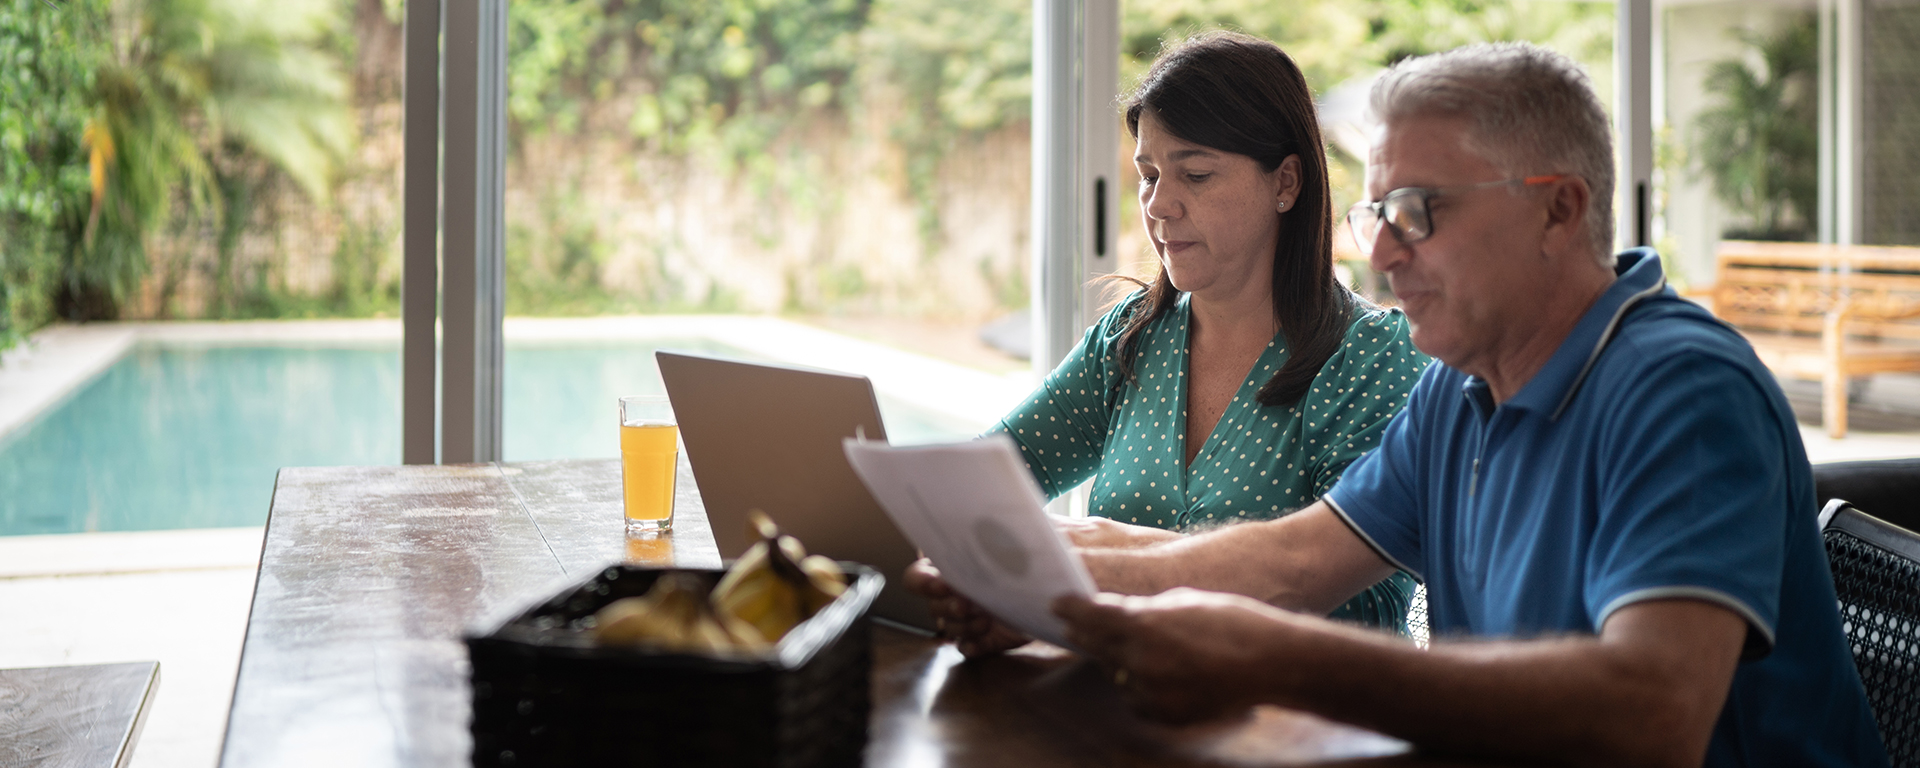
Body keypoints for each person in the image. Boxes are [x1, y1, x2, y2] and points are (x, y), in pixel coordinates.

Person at [1023, 42, 1889, 767]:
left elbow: (1651, 717)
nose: (1385, 254)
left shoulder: (1683, 390)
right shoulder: (1459, 387)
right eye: (1376, 215)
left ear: (1559, 209)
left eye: (1419, 212)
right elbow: (1288, 564)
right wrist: (1039, 583)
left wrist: (1282, 657)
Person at [924, 31, 1430, 649]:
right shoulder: (1131, 336)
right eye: (1147, 175)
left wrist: (1120, 572)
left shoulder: (1367, 358)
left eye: (1195, 174)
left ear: (1286, 184)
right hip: (1119, 708)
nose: (1159, 205)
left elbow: (1368, 615)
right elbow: (983, 484)